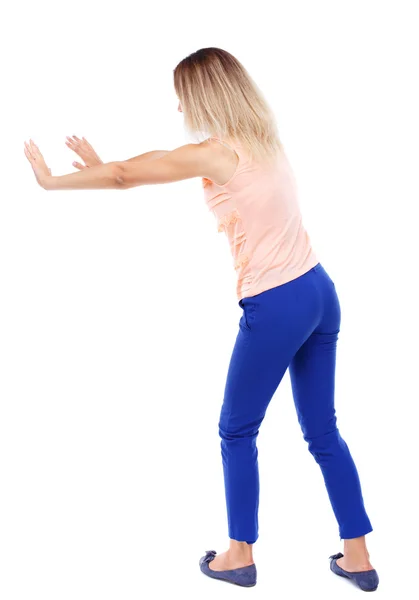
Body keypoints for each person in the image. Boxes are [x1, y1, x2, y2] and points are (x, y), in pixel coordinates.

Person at [24, 47, 379, 592]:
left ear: (202, 97)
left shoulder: (218, 154)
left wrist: (52, 181)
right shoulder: (266, 141)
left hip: (278, 302)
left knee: (236, 430)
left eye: (183, 97)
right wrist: (102, 168)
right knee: (323, 429)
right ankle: (358, 558)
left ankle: (239, 555)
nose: (179, 107)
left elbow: (125, 175)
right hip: (319, 290)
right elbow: (131, 171)